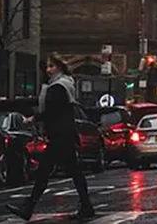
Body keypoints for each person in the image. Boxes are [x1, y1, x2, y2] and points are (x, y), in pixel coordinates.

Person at [7, 56, 94, 221]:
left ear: (60, 68)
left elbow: (52, 110)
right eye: (47, 66)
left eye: (51, 66)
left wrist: (33, 118)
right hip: (65, 134)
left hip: (60, 135)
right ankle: (86, 205)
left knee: (44, 171)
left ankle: (29, 207)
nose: (48, 70)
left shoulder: (58, 87)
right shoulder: (65, 85)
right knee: (73, 171)